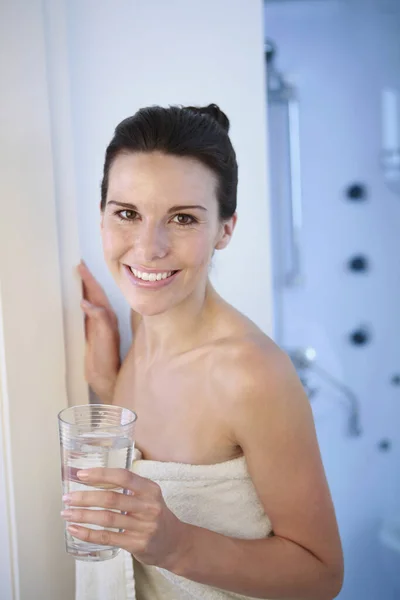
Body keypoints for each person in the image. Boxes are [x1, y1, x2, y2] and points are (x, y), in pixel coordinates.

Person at [66, 104, 344, 599]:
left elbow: (322, 575)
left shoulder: (250, 374)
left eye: (183, 219)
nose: (148, 249)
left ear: (225, 229)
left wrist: (177, 546)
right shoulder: (142, 320)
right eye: (127, 213)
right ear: (103, 214)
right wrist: (109, 385)